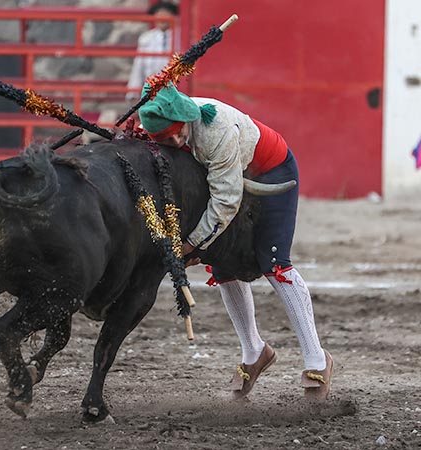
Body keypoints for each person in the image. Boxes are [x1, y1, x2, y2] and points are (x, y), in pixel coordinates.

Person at [138, 82, 334, 402]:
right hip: (221, 179)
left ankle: (317, 359)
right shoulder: (156, 129)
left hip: (269, 169)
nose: (175, 141)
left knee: (274, 261)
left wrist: (192, 246)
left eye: (177, 133)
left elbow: (226, 201)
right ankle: (253, 351)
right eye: (164, 139)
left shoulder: (217, 131)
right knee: (223, 263)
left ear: (187, 119)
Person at [126, 1, 179, 100]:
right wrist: (133, 92)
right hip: (151, 89)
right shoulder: (146, 38)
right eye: (159, 13)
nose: (162, 17)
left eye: (166, 13)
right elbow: (138, 66)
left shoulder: (179, 37)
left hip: (173, 89)